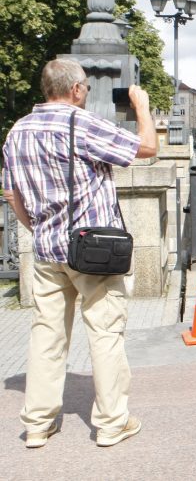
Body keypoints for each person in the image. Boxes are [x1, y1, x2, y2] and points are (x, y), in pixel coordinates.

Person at [2, 58, 157, 448]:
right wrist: (141, 106)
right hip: (93, 251)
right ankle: (111, 423)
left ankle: (37, 424)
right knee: (104, 332)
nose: (87, 93)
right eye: (86, 87)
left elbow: (11, 194)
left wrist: (37, 228)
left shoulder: (17, 131)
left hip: (46, 251)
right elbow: (148, 147)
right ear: (74, 90)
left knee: (46, 335)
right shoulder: (80, 123)